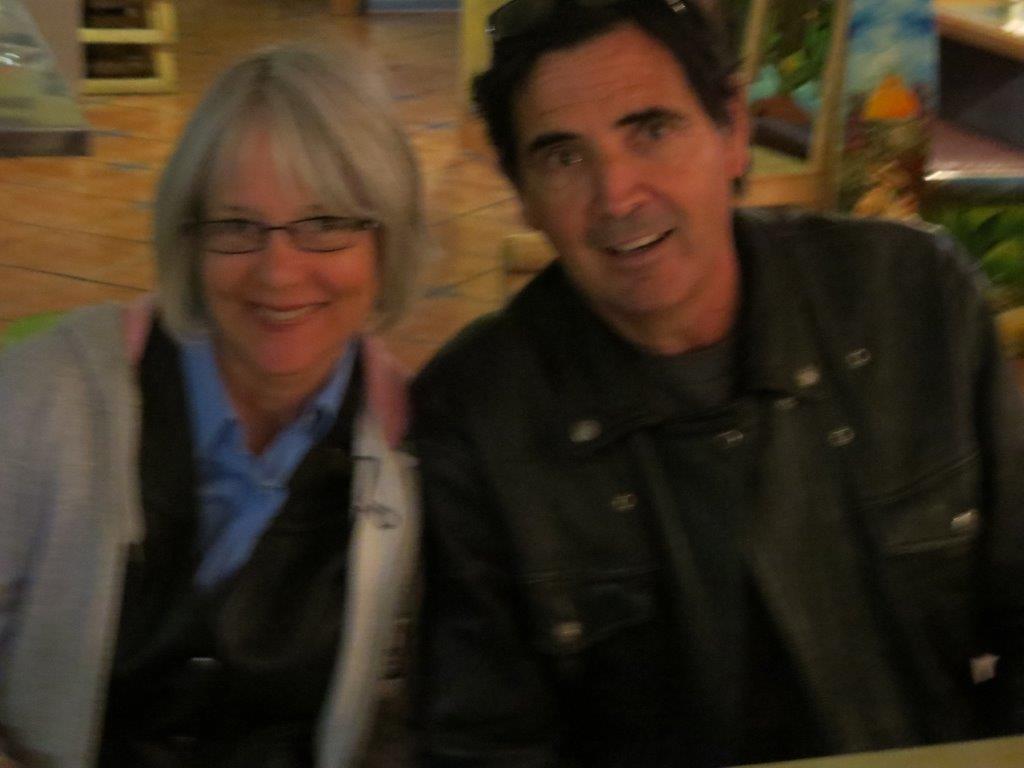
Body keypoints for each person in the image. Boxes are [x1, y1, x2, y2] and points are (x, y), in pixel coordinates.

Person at [411, 1, 1024, 766]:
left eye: (651, 131)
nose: (617, 195)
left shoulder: (912, 299)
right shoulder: (477, 417)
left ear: (732, 130)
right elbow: (486, 746)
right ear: (523, 194)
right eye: (564, 157)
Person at [0, 43, 429, 768]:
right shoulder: (44, 398)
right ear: (189, 240)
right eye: (236, 226)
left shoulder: (413, 452)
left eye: (325, 223)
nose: (279, 272)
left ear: (385, 244)